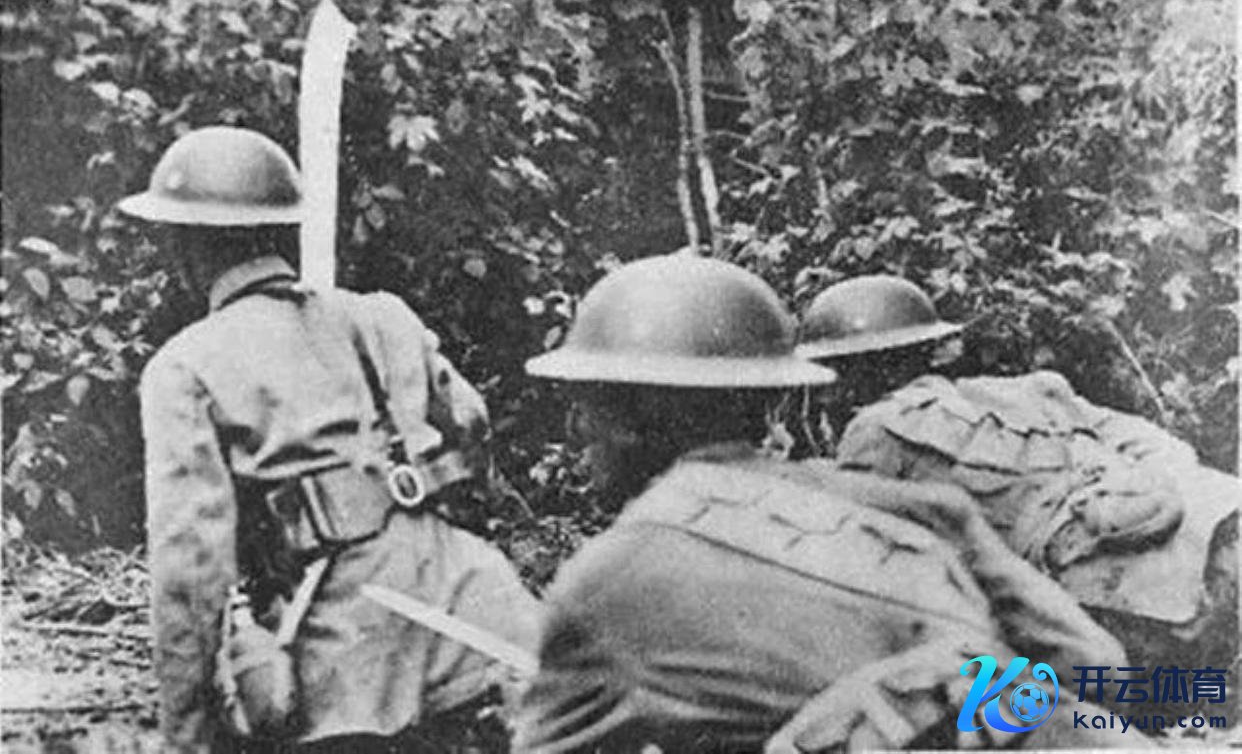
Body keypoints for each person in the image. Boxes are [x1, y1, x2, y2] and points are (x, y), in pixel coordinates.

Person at [514, 255, 1127, 753]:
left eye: (584, 405)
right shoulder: (925, 508)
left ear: (625, 419)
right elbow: (1099, 664)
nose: (576, 429)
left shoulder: (603, 585)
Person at [121, 126, 539, 753]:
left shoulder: (185, 366)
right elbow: (471, 423)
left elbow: (190, 571)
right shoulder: (380, 315)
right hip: (478, 609)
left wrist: (188, 734)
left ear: (186, 246)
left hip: (350, 649)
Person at [794, 274, 1239, 678]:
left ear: (856, 368)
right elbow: (1162, 448)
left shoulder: (874, 430)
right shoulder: (1026, 389)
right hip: (1213, 523)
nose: (829, 390)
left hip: (1127, 597)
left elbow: (855, 563)